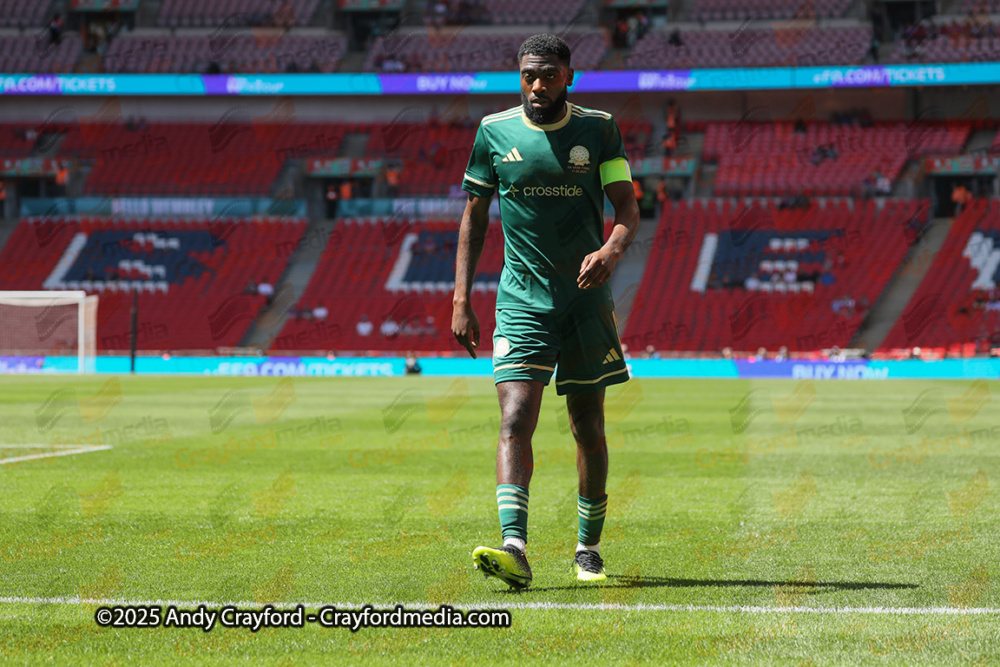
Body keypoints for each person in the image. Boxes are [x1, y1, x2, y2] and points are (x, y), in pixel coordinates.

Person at [452, 34, 640, 590]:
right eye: (529, 75)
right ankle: (514, 547)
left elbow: (627, 207)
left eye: (550, 75)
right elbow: (474, 217)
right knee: (514, 418)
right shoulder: (494, 132)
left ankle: (588, 548)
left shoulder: (599, 129)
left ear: (570, 76)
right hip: (520, 301)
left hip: (584, 303)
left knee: (588, 427)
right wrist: (461, 298)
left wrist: (610, 249)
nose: (538, 86)